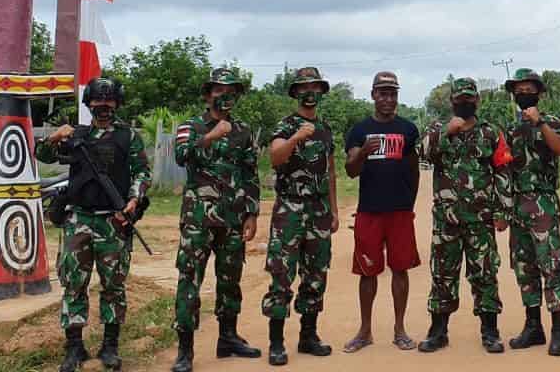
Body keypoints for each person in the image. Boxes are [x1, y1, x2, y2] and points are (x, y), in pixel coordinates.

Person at [37, 77, 150, 372]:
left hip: (113, 220)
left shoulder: (128, 136)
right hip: (78, 219)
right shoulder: (76, 134)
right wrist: (54, 137)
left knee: (114, 285)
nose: (104, 107)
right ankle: (74, 347)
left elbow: (142, 173)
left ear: (117, 103)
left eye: (110, 102)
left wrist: (134, 200)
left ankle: (110, 346)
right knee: (74, 284)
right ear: (88, 103)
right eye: (99, 102)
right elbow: (42, 155)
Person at [171, 67, 262, 372]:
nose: (226, 97)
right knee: (189, 281)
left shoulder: (244, 130)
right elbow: (181, 155)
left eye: (232, 92)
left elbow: (251, 173)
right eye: (220, 91)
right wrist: (210, 136)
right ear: (208, 94)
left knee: (230, 280)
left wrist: (252, 212)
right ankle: (185, 351)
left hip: (232, 219)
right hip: (198, 219)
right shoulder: (191, 126)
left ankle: (228, 338)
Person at [418, 77, 511, 354]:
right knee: (443, 275)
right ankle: (438, 332)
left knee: (485, 274)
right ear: (451, 102)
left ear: (478, 101)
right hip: (446, 220)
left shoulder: (490, 132)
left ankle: (490, 332)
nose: (465, 102)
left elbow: (503, 172)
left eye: (470, 98)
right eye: (460, 98)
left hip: (480, 220)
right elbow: (421, 154)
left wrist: (503, 210)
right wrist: (446, 131)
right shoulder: (437, 129)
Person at [260, 67, 339, 365]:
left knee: (316, 274)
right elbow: (275, 157)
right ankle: (277, 341)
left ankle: (308, 335)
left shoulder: (325, 127)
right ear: (295, 92)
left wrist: (332, 210)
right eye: (304, 86)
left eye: (315, 86)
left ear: (320, 92)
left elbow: (330, 171)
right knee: (282, 274)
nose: (310, 91)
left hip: (318, 210)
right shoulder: (286, 125)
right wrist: (296, 137)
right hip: (289, 209)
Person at [342, 71, 422, 353]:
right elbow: (351, 171)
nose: (388, 99)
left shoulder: (408, 129)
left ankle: (400, 330)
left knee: (400, 270)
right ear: (373, 95)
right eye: (383, 93)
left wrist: (409, 205)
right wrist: (363, 152)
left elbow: (413, 170)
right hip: (369, 212)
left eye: (393, 93)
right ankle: (364, 331)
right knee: (367, 272)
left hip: (400, 212)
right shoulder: (359, 130)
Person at [501, 68, 560, 357]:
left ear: (539, 93)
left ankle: (558, 331)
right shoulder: (509, 128)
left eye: (529, 90)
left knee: (551, 265)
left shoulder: (552, 121)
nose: (523, 94)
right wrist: (502, 208)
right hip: (518, 204)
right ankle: (533, 327)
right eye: (519, 90)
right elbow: (503, 167)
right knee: (524, 268)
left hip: (544, 204)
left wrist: (540, 122)